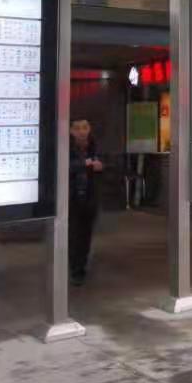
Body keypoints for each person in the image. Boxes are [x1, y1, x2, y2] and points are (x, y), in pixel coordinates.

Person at [68, 119, 104, 286]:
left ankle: (81, 267)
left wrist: (101, 166)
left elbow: (106, 164)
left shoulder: (94, 146)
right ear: (71, 131)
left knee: (86, 235)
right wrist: (84, 164)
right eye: (77, 128)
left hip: (90, 196)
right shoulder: (66, 147)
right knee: (74, 235)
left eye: (85, 128)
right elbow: (63, 166)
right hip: (72, 197)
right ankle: (74, 270)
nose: (82, 131)